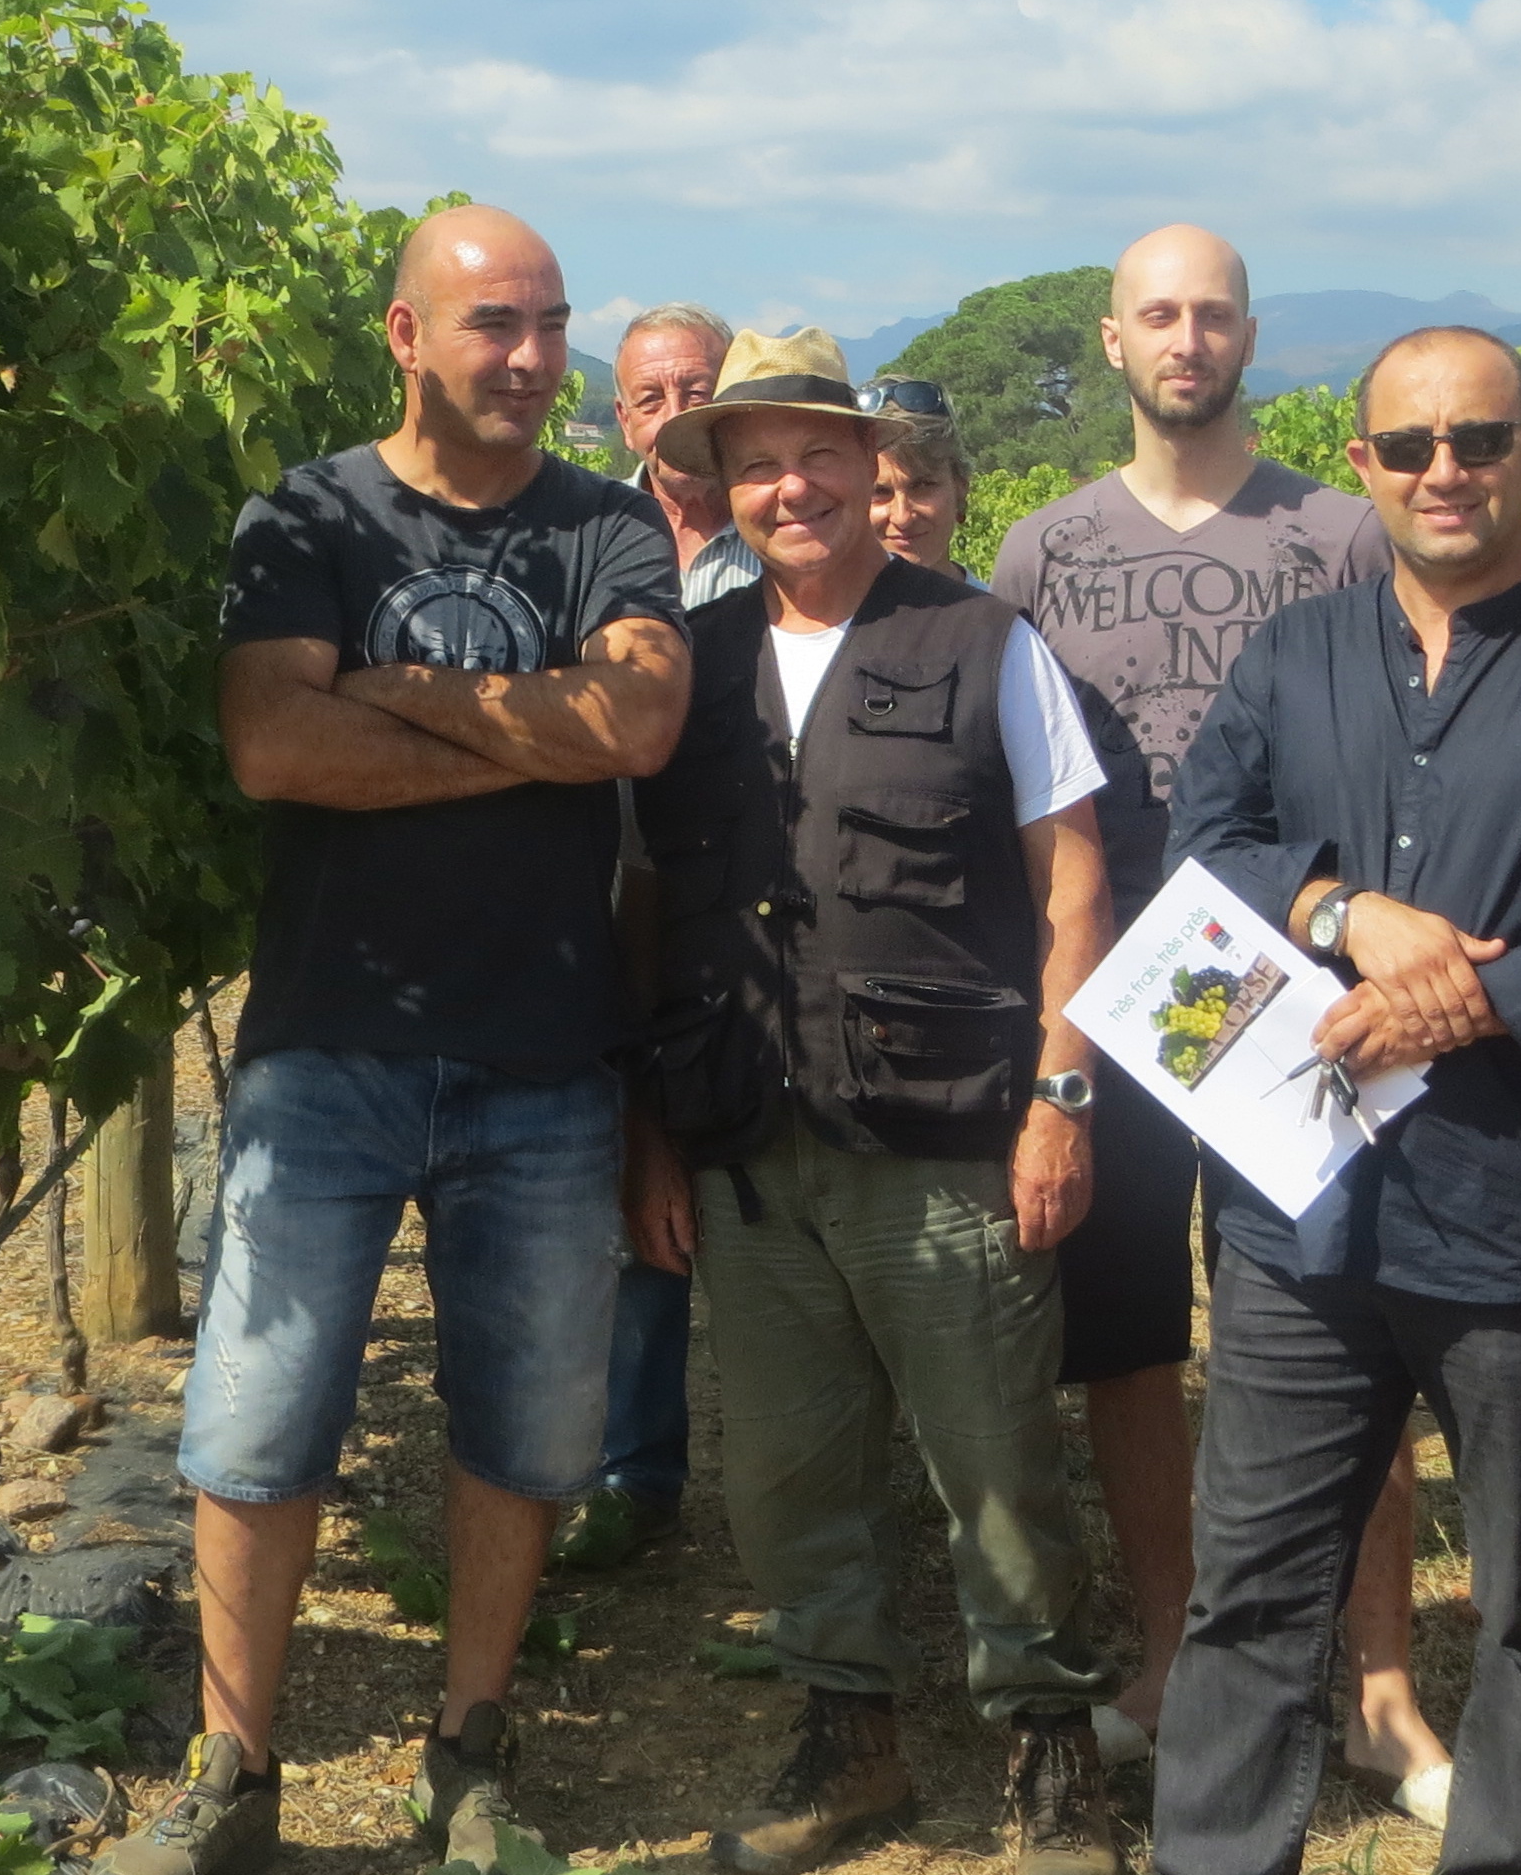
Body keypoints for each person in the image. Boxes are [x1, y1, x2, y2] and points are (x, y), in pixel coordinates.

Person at [119, 205, 693, 1875]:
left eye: (550, 325)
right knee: (253, 1415)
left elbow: (642, 716)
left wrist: (401, 689)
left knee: (523, 1426)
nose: (530, 359)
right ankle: (235, 1768)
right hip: (328, 1041)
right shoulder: (308, 509)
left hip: (547, 1054)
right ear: (405, 333)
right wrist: (543, 734)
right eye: (493, 324)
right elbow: (273, 747)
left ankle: (472, 1745)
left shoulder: (608, 524)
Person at [1156, 325, 1521, 1875]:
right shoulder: (1293, 652)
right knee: (1252, 1593)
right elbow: (1204, 850)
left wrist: (1465, 996)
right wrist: (1335, 914)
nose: (1442, 471)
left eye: (1477, 441)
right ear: (1364, 458)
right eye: (1408, 447)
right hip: (1297, 1215)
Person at [621, 327, 1126, 1875]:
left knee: (996, 1472)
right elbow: (652, 909)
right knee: (785, 1474)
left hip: (948, 1137)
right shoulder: (692, 672)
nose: (791, 486)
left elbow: (1078, 885)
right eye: (756, 462)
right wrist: (653, 1138)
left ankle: (1055, 1765)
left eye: (816, 456)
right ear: (725, 485)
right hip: (751, 1149)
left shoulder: (985, 643)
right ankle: (853, 1749)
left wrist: (1062, 1102)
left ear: (868, 467)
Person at [986, 225, 1437, 1799]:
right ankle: (1181, 1648)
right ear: (1112, 341)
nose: (1188, 340)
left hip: (1300, 999)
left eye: (1214, 315)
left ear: (1253, 337)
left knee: (1337, 1324)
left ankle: (1379, 1678)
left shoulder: (1340, 534)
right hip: (1121, 996)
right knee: (1130, 1345)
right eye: (1159, 315)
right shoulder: (1037, 554)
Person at [562, 300, 756, 1576]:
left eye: (698, 384)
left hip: (744, 903)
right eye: (650, 392)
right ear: (622, 414)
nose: (674, 406)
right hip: (599, 899)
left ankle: (788, 1477)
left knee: (750, 1186)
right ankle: (637, 1472)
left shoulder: (784, 531)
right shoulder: (585, 537)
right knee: (628, 1191)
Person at [615, 302, 760, 601]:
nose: (673, 418)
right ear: (625, 422)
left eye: (696, 394)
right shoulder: (595, 531)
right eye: (650, 400)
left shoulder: (784, 523)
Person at [860, 378, 971, 576]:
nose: (902, 518)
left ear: (960, 487)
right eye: (879, 492)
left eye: (922, 486)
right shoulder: (811, 607)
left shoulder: (1004, 607)